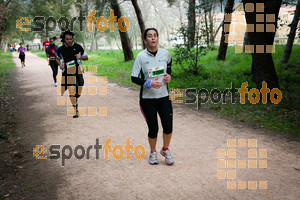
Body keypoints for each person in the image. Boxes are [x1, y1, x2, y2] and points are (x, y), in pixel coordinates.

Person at [131, 28, 174, 165]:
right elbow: (133, 77)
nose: (153, 38)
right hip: (147, 100)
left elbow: (169, 65)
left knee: (168, 127)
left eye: (155, 35)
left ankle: (165, 149)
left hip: (164, 97)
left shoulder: (165, 53)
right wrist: (148, 83)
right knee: (153, 129)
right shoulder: (141, 57)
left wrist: (168, 76)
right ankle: (153, 152)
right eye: (149, 36)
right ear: (145, 40)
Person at [55, 30, 88, 118]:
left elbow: (86, 57)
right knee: (72, 91)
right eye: (67, 39)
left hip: (78, 71)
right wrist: (60, 64)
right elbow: (57, 58)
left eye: (70, 39)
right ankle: (75, 109)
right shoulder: (61, 49)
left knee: (79, 90)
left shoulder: (78, 47)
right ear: (64, 40)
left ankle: (76, 97)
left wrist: (80, 57)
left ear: (72, 39)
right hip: (67, 73)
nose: (69, 41)